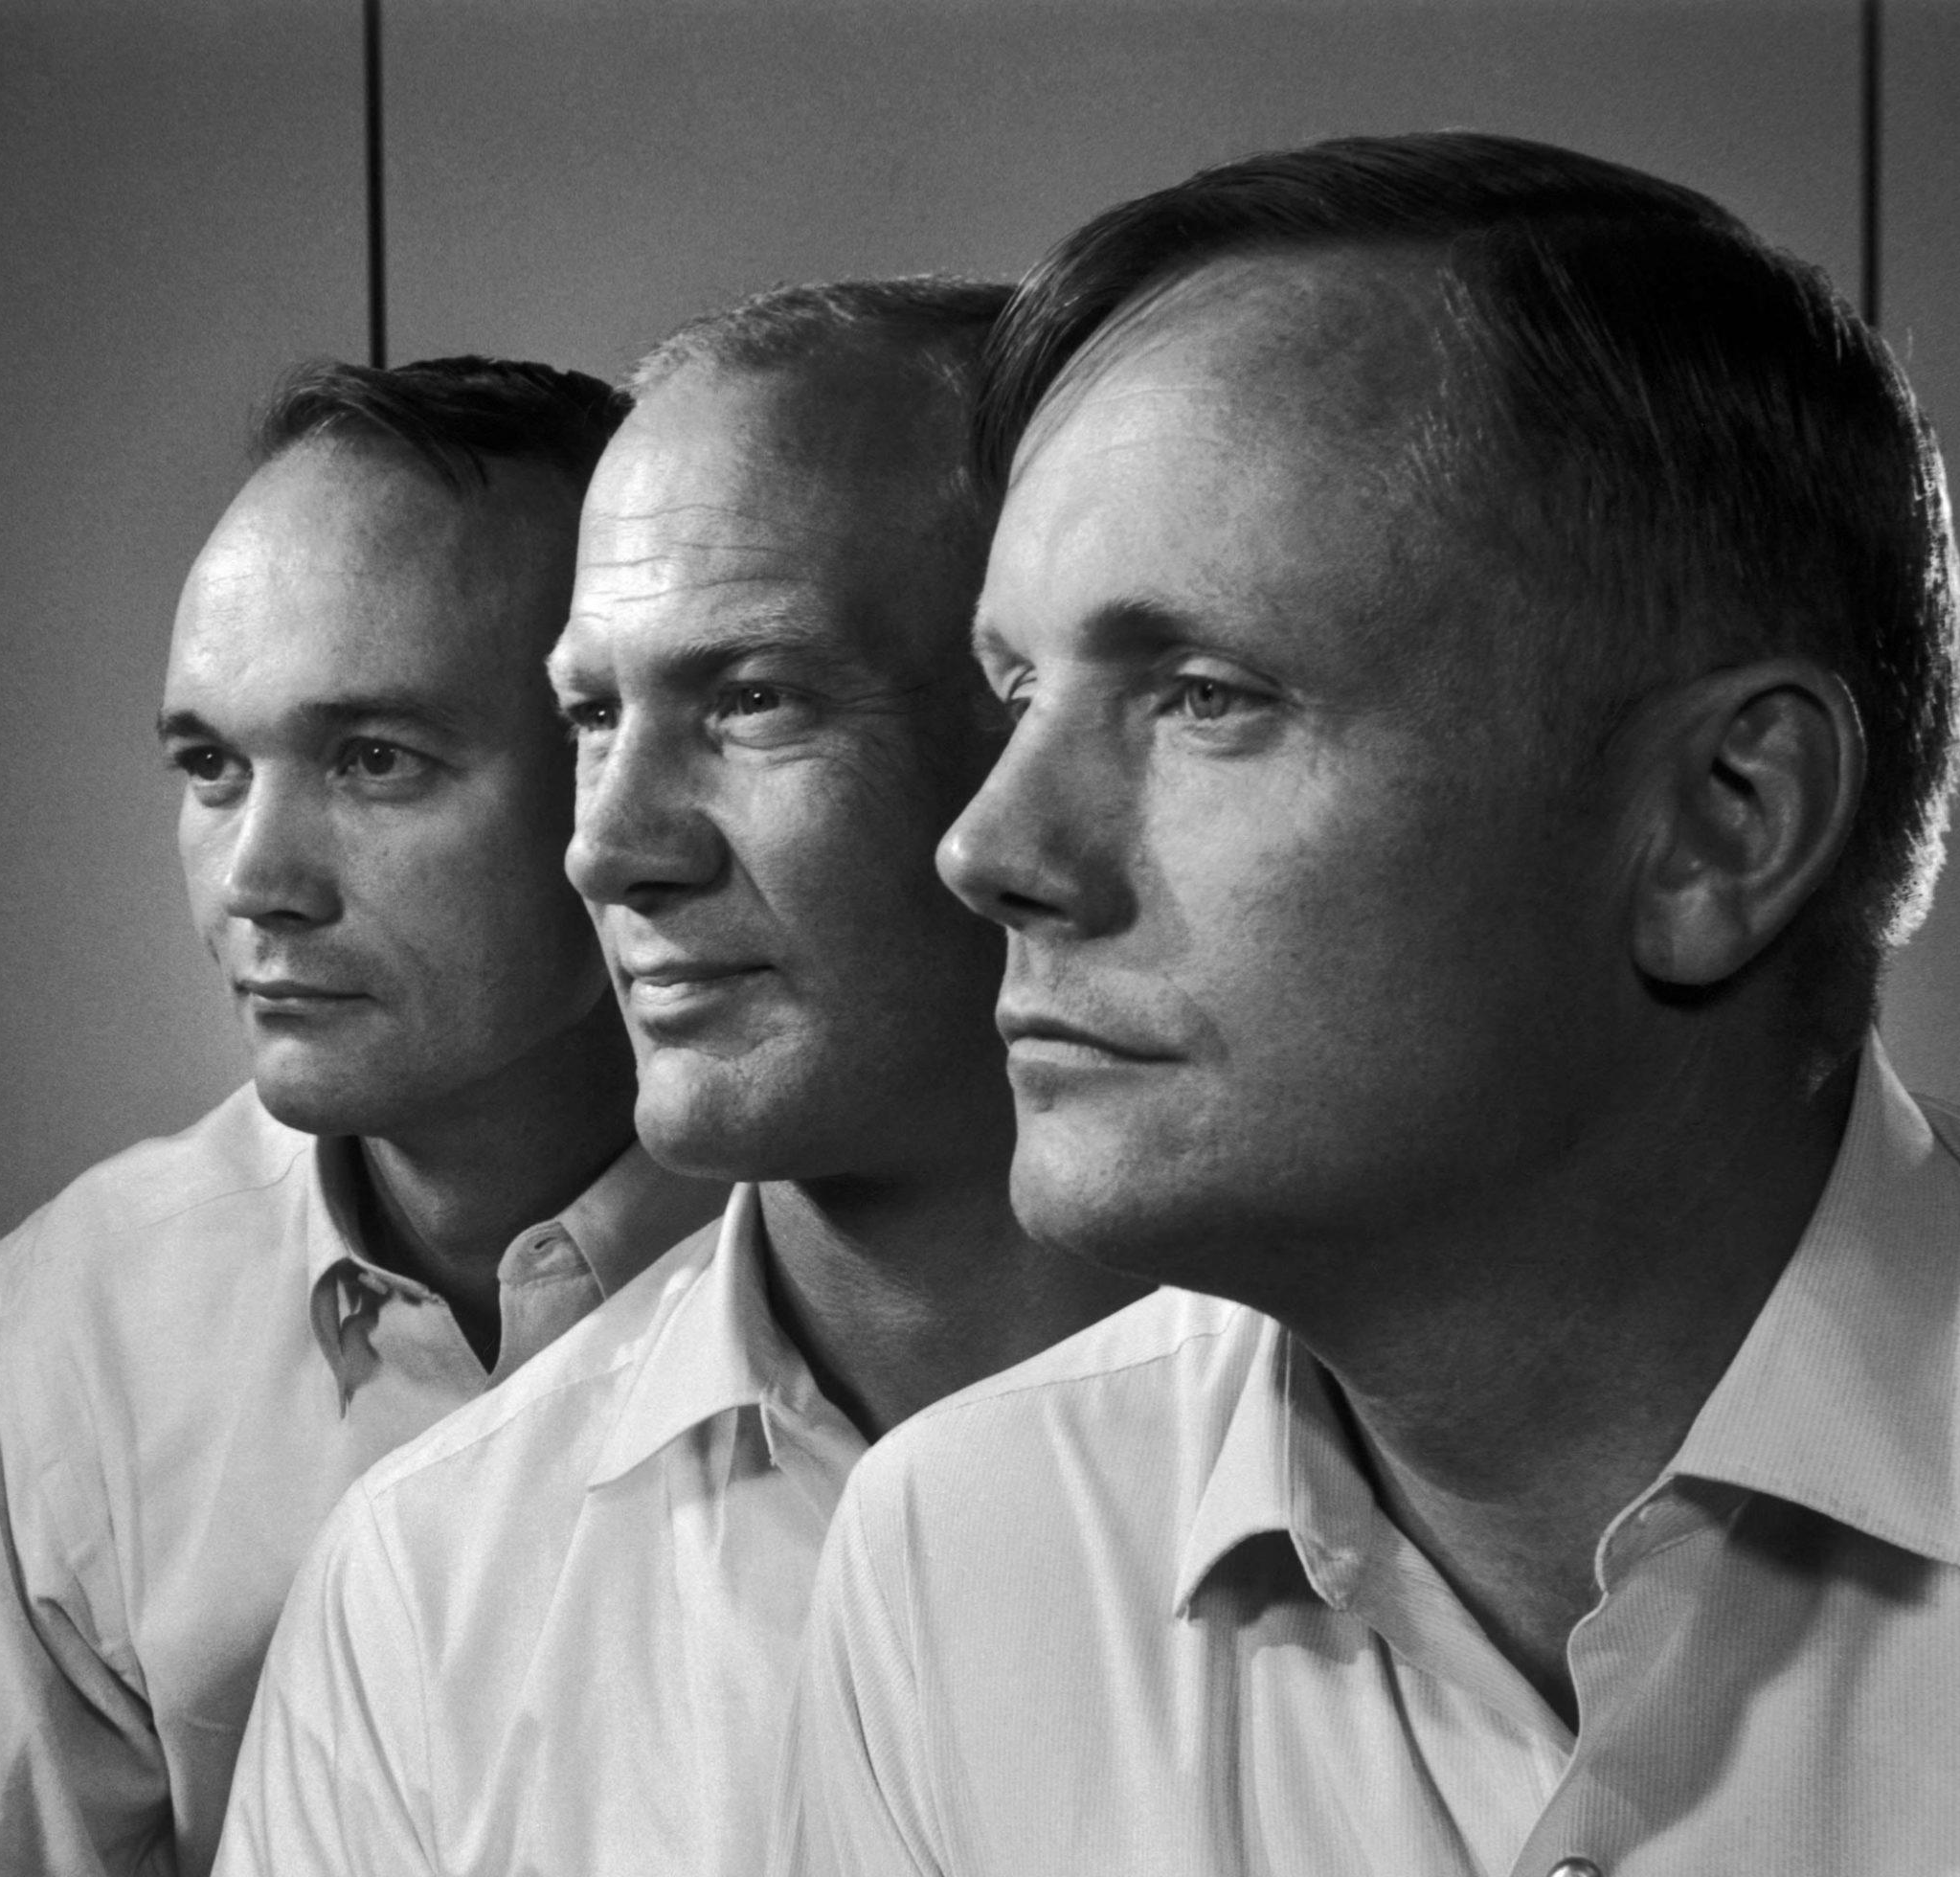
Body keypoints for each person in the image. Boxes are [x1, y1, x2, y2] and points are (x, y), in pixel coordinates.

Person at [779, 134, 1960, 1876]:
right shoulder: (965, 1557)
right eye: (1021, 691)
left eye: (1204, 697)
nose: (989, 847)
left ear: (1723, 821)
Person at [212, 280, 1145, 1877]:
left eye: (753, 699)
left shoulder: (1396, 1482)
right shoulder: (428, 1587)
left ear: (1032, 733)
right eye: (591, 713)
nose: (607, 845)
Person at [0, 357, 723, 1877]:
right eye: (210, 764)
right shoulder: (102, 1306)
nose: (258, 877)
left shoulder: (874, 1268)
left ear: (613, 771)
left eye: (374, 761)